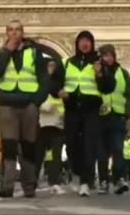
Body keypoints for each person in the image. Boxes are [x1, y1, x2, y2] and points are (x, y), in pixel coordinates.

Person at [0, 20, 48, 198]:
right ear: (6, 33)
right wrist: (7, 51)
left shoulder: (35, 53)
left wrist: (36, 101)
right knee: (9, 146)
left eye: (17, 30)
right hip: (7, 103)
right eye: (11, 30)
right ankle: (7, 186)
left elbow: (44, 78)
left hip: (29, 104)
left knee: (29, 146)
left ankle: (29, 186)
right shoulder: (0, 52)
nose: (14, 33)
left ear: (23, 32)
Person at [52, 30, 115, 196]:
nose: (85, 44)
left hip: (91, 110)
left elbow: (109, 87)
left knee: (89, 145)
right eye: (82, 41)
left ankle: (85, 181)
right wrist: (58, 91)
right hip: (72, 109)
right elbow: (52, 83)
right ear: (77, 44)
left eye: (88, 41)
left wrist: (100, 73)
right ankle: (78, 173)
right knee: (72, 146)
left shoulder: (99, 63)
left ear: (92, 44)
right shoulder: (66, 63)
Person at [93, 44, 130, 195]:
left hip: (117, 116)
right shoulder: (95, 72)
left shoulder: (123, 73)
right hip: (100, 117)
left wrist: (127, 112)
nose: (108, 58)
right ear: (100, 57)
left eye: (111, 55)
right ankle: (103, 181)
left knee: (118, 149)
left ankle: (119, 179)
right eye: (105, 55)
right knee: (102, 152)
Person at [35, 59, 66, 195]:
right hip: (42, 124)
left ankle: (55, 182)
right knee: (37, 155)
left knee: (56, 156)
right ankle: (33, 181)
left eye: (53, 66)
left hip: (57, 125)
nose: (51, 68)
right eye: (49, 66)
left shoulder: (62, 84)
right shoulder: (41, 83)